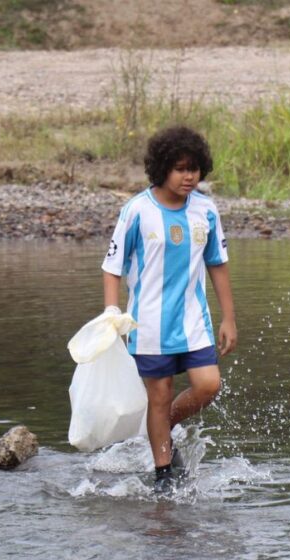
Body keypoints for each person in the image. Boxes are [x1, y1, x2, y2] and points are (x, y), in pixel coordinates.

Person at [101, 125, 237, 494]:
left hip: (194, 323)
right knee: (158, 396)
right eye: (179, 168)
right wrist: (112, 314)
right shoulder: (137, 211)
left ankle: (157, 427)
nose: (188, 176)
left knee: (209, 386)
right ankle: (164, 472)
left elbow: (218, 264)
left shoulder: (206, 211)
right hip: (147, 326)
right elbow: (112, 267)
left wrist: (229, 318)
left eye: (194, 168)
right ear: (162, 169)